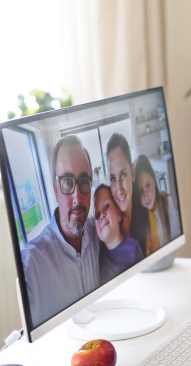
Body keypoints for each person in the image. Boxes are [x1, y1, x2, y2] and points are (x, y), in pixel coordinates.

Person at [20, 135, 99, 327]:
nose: (77, 197)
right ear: (55, 189)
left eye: (84, 181)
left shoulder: (97, 233)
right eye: (67, 181)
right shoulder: (31, 264)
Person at [106, 133, 154, 255]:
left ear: (132, 172)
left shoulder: (148, 216)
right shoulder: (109, 224)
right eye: (113, 178)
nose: (119, 189)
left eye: (123, 175)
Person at [94, 184, 143, 285]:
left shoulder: (133, 248)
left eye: (106, 206)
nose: (102, 215)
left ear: (118, 214)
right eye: (97, 215)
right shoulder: (98, 257)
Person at [134, 154, 181, 247]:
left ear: (154, 180)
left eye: (148, 185)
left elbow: (176, 238)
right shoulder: (141, 218)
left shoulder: (167, 202)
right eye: (140, 191)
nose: (146, 196)